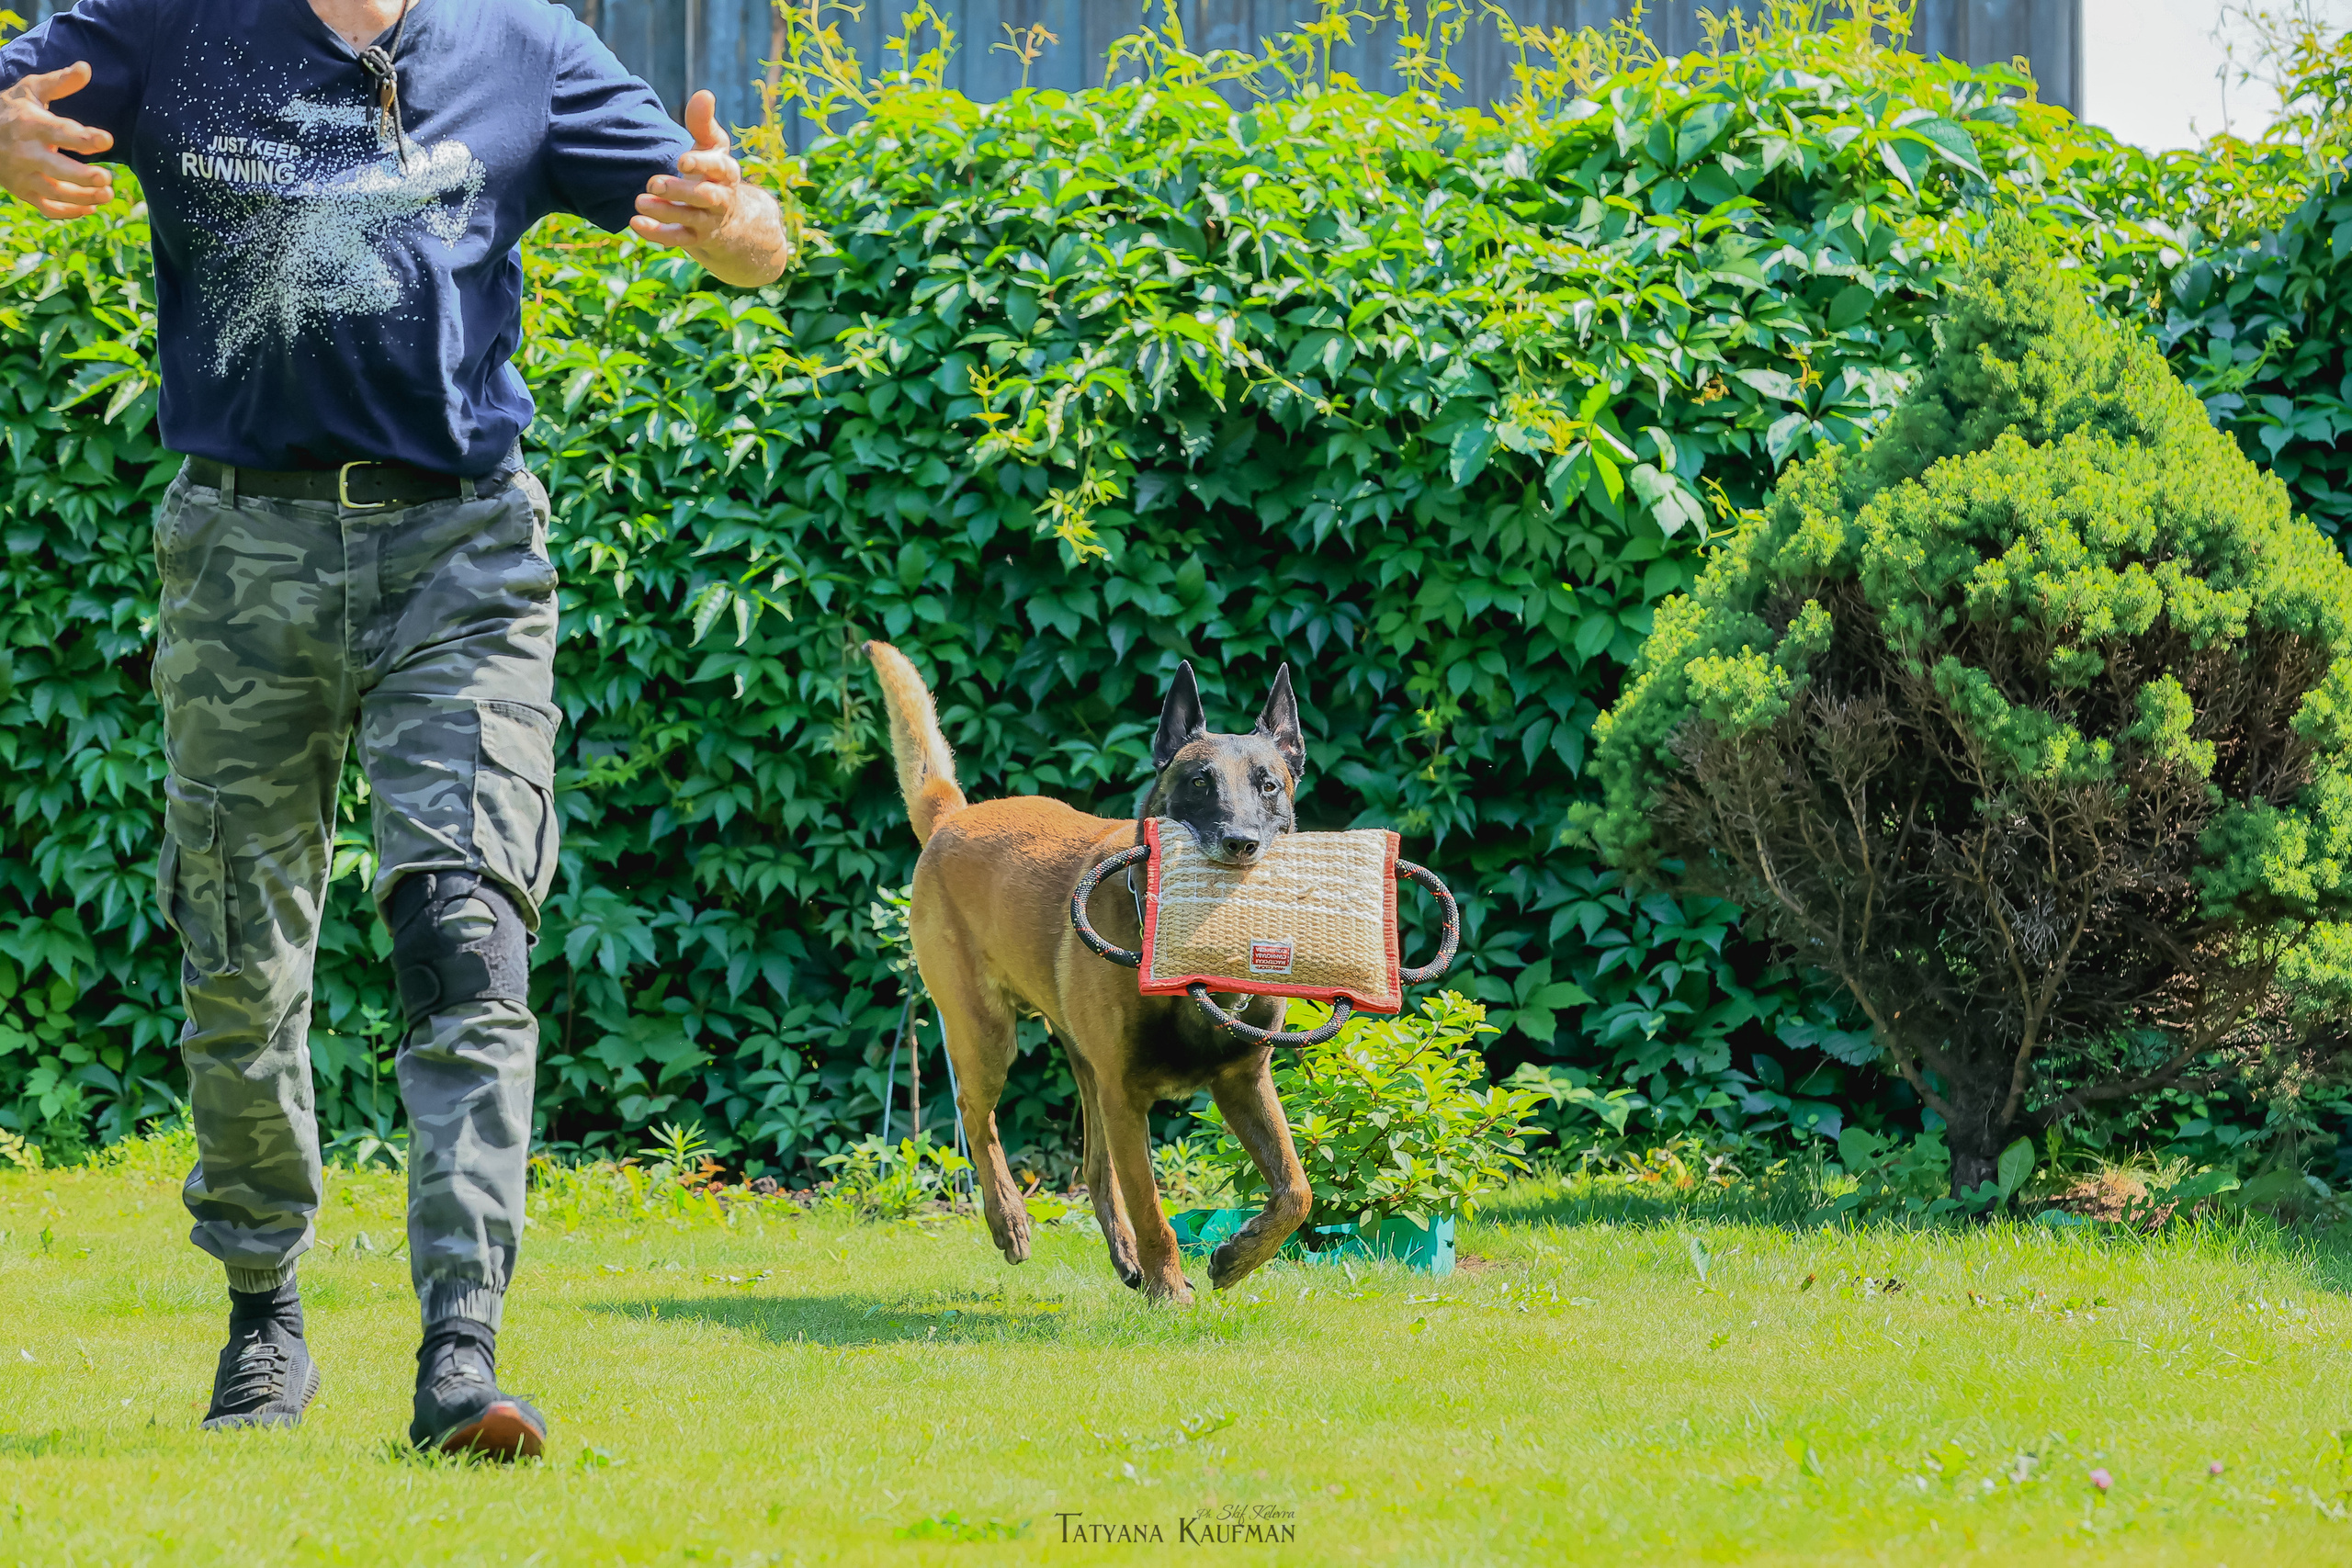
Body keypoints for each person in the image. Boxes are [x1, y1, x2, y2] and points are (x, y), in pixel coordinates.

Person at [0, 0, 788, 1459]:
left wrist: (730, 221)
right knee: (241, 954)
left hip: (464, 556)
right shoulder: (163, 24)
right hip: (245, 553)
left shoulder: (524, 46)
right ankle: (263, 1313)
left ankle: (459, 1349)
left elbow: (757, 246)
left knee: (465, 924)